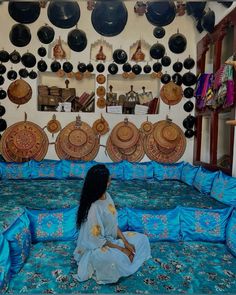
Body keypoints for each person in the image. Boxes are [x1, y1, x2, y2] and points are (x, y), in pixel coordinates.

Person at [73, 164, 151, 284]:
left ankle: (126, 258)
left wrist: (126, 242)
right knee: (114, 261)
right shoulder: (93, 208)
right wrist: (121, 249)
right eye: (107, 181)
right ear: (99, 184)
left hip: (112, 240)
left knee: (143, 239)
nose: (110, 182)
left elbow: (113, 225)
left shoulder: (107, 196)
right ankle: (122, 260)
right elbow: (97, 240)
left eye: (109, 180)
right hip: (98, 247)